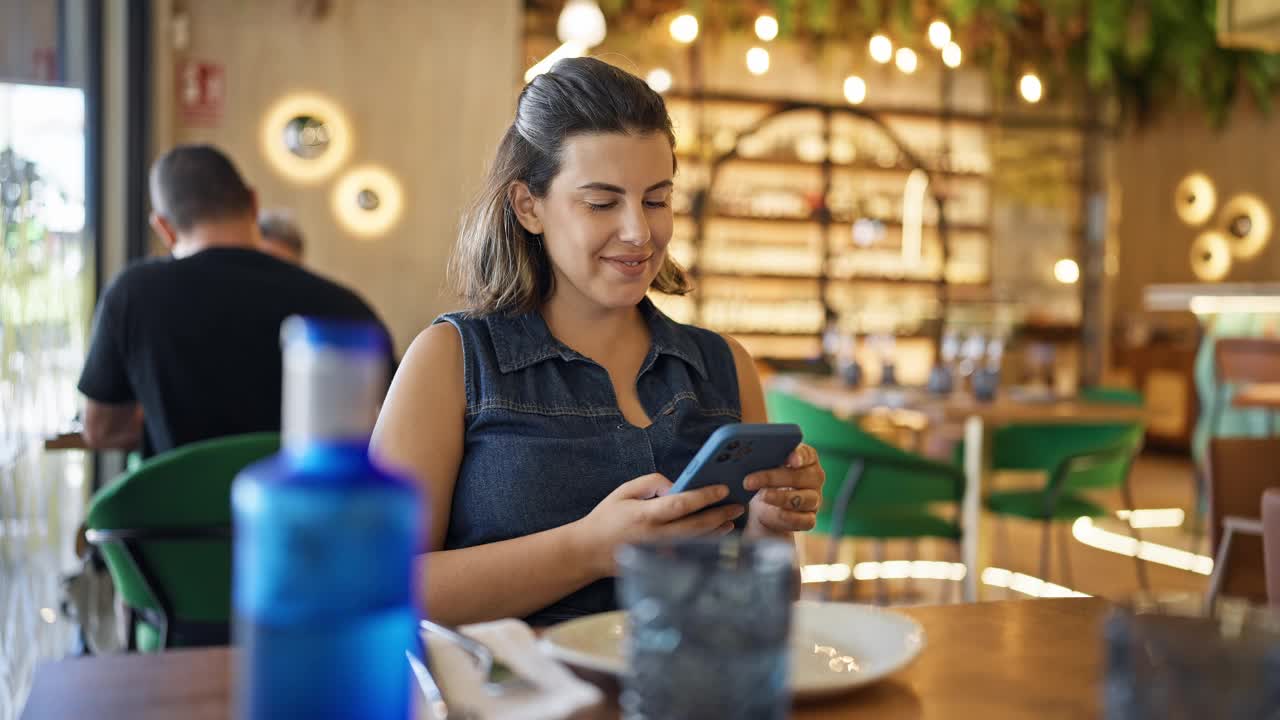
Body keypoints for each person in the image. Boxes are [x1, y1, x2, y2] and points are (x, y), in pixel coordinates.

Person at [371, 58, 824, 627]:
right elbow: (372, 590)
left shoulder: (724, 365)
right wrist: (586, 550)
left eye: (656, 199)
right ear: (528, 206)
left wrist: (768, 528)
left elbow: (762, 617)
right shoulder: (451, 360)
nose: (639, 231)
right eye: (601, 202)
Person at [78, 144, 390, 457]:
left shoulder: (133, 294)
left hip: (180, 505)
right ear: (253, 203)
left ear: (164, 228)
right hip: (309, 505)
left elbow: (100, 429)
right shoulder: (345, 307)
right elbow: (392, 420)